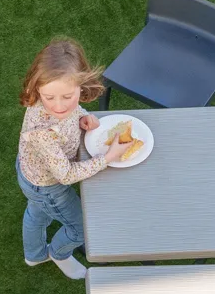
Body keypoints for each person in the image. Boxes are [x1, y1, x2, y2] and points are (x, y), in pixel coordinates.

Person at [16, 38, 133, 279]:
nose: (58, 106)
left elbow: (69, 113)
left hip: (30, 174)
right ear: (36, 88)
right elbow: (66, 174)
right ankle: (58, 254)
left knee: (37, 214)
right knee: (81, 229)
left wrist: (83, 117)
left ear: (81, 85)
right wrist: (108, 157)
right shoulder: (41, 132)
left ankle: (34, 255)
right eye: (49, 98)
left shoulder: (56, 98)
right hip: (48, 186)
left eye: (68, 97)